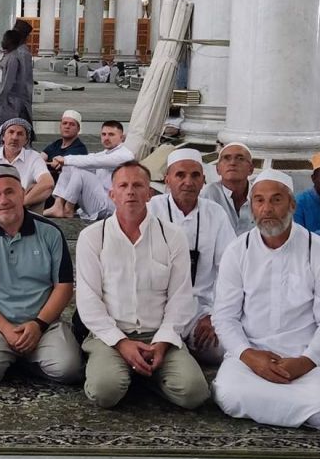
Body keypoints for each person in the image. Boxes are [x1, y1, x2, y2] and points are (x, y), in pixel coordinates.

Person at [210, 171, 320, 431]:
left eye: (276, 200)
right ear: (252, 207)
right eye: (259, 201)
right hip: (251, 356)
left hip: (306, 358)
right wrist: (249, 356)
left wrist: (305, 362)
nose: (267, 209)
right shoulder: (237, 251)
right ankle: (293, 409)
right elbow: (225, 317)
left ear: (292, 205)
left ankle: (270, 405)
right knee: (229, 395)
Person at [75, 162, 210, 410]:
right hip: (111, 335)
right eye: (123, 186)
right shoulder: (93, 237)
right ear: (112, 194)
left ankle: (141, 374)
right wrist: (121, 343)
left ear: (149, 193)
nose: (130, 192)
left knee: (194, 393)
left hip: (158, 335)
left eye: (138, 185)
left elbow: (181, 298)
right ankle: (130, 371)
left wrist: (163, 343)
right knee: (105, 391)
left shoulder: (172, 236)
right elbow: (88, 300)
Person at [0, 163, 82, 385]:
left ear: (23, 193)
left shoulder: (50, 233)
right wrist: (6, 329)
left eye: (10, 192)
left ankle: (17, 358)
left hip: (42, 322)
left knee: (68, 369)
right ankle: (16, 354)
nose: (3, 200)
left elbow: (63, 287)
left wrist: (38, 324)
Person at [149, 148, 235, 365]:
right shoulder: (150, 210)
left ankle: (182, 350)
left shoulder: (215, 214)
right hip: (157, 308)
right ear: (167, 179)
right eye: (180, 175)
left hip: (199, 310)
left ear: (203, 180)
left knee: (222, 350)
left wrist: (214, 315)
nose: (188, 182)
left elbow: (230, 270)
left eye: (195, 175)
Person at [44, 120, 133, 220]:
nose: (106, 138)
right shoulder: (104, 153)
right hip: (98, 200)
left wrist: (65, 159)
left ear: (122, 138)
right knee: (71, 166)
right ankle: (58, 205)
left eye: (111, 134)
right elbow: (90, 159)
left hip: (111, 207)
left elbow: (95, 161)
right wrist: (65, 161)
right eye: (104, 134)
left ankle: (69, 208)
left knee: (78, 170)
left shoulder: (125, 155)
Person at [0, 118, 54, 207]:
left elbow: (48, 183)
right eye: (11, 132)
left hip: (23, 208)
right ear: (3, 137)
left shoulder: (34, 157)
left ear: (26, 140)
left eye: (20, 134)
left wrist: (18, 205)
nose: (14, 137)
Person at [0, 23, 35, 148]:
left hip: (14, 102)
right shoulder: (10, 53)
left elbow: (16, 82)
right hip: (4, 100)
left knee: (14, 135)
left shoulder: (20, 54)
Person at [202, 142, 256, 235]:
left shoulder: (261, 195)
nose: (232, 163)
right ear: (218, 169)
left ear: (251, 169)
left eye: (240, 158)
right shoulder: (207, 195)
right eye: (226, 158)